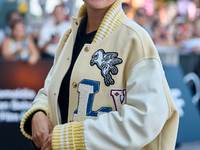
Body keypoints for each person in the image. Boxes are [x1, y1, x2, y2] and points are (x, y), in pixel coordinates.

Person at [20, 0, 179, 150]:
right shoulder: (69, 36)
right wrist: (39, 112)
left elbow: (145, 119)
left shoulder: (135, 40)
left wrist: (72, 138)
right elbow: (50, 88)